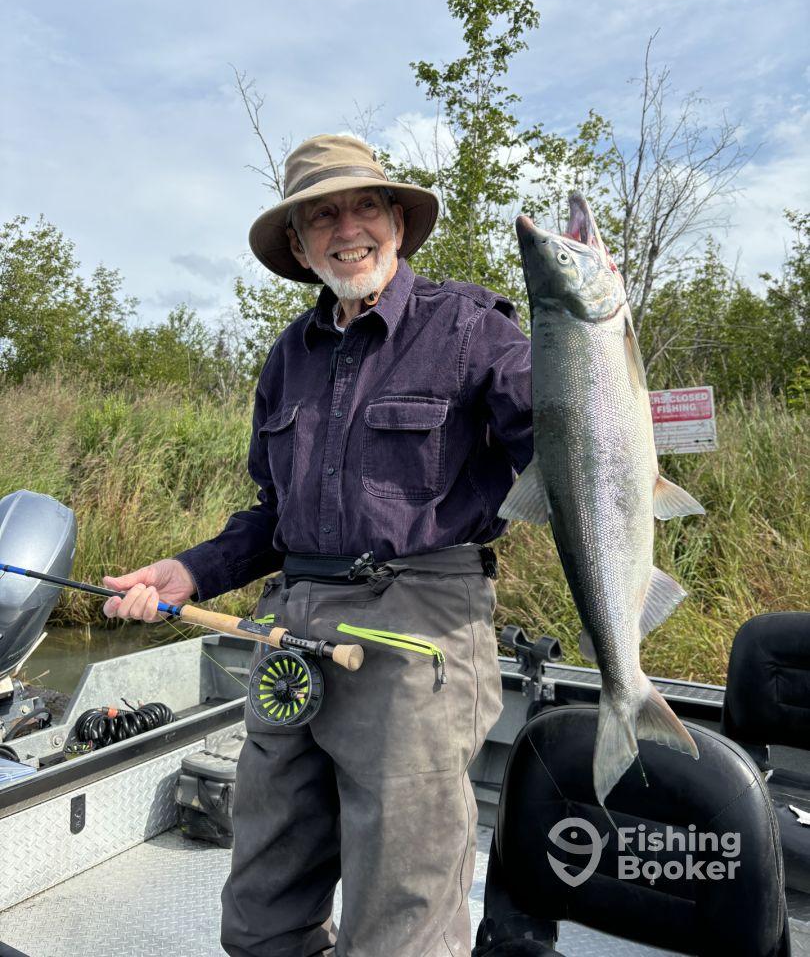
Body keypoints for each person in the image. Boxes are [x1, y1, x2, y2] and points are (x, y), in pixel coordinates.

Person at [103, 133, 532, 957]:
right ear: (299, 247)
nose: (349, 229)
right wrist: (188, 571)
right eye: (322, 216)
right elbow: (275, 516)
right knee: (261, 905)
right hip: (290, 629)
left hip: (419, 625)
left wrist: (591, 352)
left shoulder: (472, 328)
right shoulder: (288, 357)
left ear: (398, 224)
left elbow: (570, 441)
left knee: (401, 919)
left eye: (366, 206)